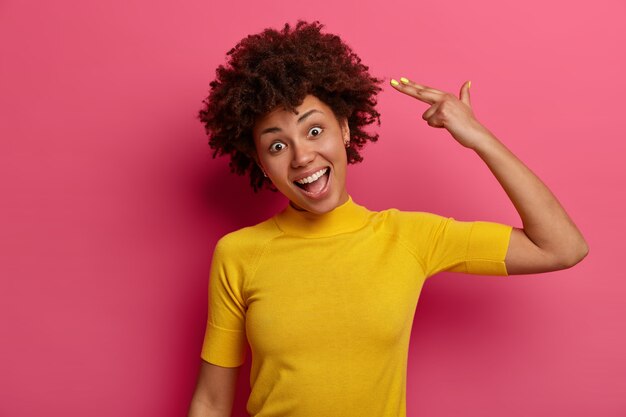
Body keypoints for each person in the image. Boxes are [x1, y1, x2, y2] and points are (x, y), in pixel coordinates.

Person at [187, 20, 588, 417]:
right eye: (277, 145)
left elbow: (562, 247)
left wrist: (478, 137)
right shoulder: (238, 254)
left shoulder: (408, 237)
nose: (302, 157)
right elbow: (211, 402)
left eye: (314, 131)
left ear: (344, 129)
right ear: (261, 163)